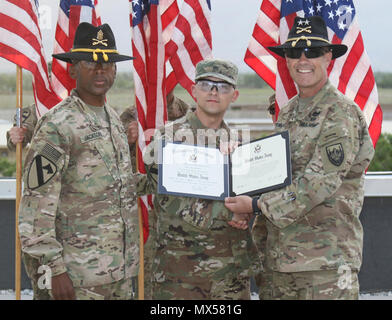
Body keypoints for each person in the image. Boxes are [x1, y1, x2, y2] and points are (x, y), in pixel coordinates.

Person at [224, 16, 375, 300]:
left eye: (313, 51)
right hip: (281, 262)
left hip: (324, 266)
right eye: (294, 52)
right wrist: (245, 195)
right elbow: (275, 174)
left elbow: (319, 183)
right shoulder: (289, 112)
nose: (303, 59)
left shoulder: (340, 113)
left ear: (328, 56)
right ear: (287, 60)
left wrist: (256, 204)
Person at [18, 22, 139, 300]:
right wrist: (54, 270)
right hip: (75, 275)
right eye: (91, 63)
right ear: (72, 69)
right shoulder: (57, 125)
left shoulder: (112, 119)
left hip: (116, 272)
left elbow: (116, 185)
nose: (101, 70)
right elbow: (36, 205)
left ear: (115, 70)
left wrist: (165, 177)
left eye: (107, 63)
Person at [137, 58, 260, 300]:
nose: (214, 92)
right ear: (193, 91)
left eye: (223, 87)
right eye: (206, 85)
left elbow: (246, 193)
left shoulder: (237, 142)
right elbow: (171, 199)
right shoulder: (168, 138)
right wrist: (229, 213)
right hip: (180, 275)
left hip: (230, 277)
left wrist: (249, 210)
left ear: (234, 95)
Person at [119, 91, 190, 300]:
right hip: (144, 202)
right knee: (147, 267)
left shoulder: (184, 111)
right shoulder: (133, 113)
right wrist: (129, 138)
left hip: (178, 205)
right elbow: (117, 153)